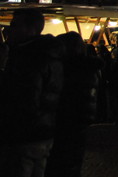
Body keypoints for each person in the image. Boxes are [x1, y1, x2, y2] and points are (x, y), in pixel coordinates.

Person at [0, 9, 64, 177]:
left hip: (23, 135)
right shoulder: (51, 55)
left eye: (14, 25)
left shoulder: (28, 58)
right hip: (43, 132)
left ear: (30, 29)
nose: (9, 29)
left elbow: (24, 98)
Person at [45, 32, 102, 177]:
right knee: (72, 161)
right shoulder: (89, 67)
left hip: (65, 122)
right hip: (78, 123)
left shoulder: (70, 69)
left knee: (61, 162)